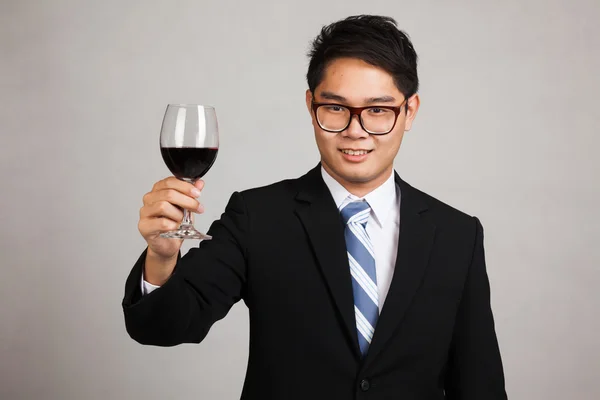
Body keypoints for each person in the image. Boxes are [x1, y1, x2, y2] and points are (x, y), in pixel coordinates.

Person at [122, 14, 508, 400]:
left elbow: (479, 382)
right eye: (336, 108)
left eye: (378, 110)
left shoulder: (457, 235)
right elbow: (163, 328)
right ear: (311, 105)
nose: (355, 130)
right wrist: (161, 256)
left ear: (409, 112)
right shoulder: (257, 217)